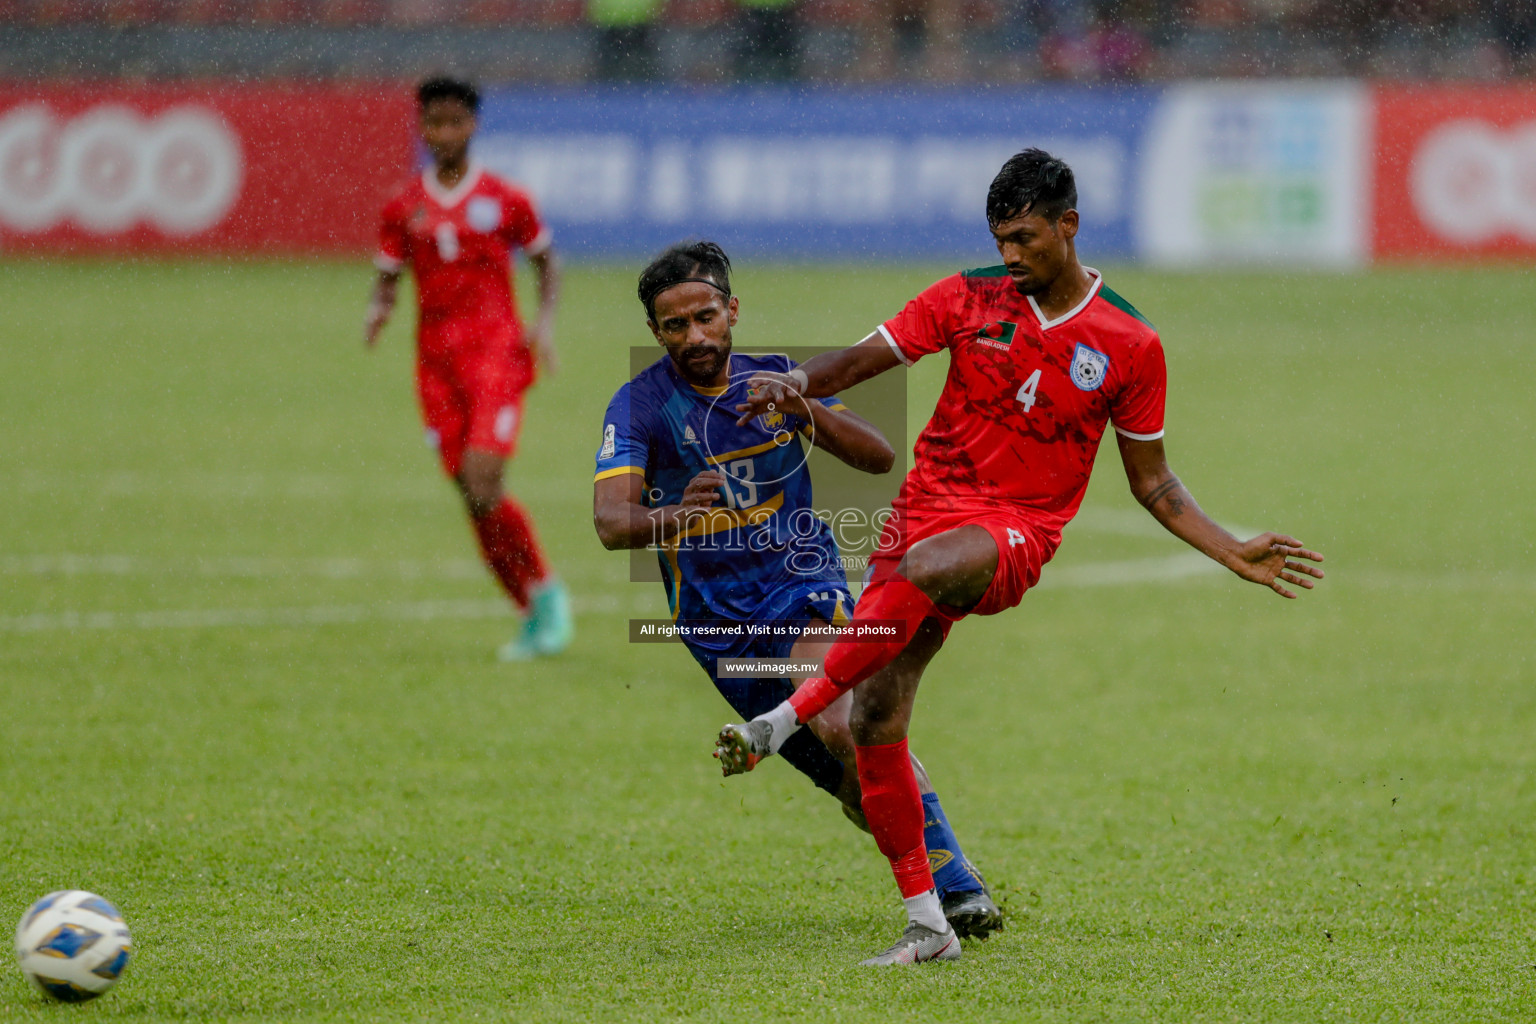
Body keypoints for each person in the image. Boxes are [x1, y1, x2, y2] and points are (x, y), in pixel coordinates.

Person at [716, 148, 1327, 966]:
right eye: (1000, 237)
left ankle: (778, 719)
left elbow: (1153, 482)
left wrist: (1230, 549)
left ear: (1068, 226)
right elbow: (865, 360)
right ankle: (930, 922)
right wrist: (793, 382)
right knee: (871, 722)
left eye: (1026, 237)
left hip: (1011, 534)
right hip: (917, 519)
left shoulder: (1131, 344)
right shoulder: (966, 296)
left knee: (930, 570)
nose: (1011, 255)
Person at [593, 241, 1003, 938]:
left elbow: (877, 456)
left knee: (846, 722)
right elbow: (611, 522)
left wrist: (805, 409)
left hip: (801, 586)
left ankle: (958, 892)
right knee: (846, 780)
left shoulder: (776, 378)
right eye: (675, 326)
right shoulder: (639, 406)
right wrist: (676, 516)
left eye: (706, 316)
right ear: (656, 333)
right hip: (717, 626)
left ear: (732, 310)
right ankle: (945, 877)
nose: (695, 336)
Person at [365, 76, 572, 662]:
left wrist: (544, 323)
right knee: (471, 496)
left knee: (484, 481)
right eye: (434, 123)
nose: (444, 133)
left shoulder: (506, 199)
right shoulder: (403, 207)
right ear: (422, 127)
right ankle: (530, 605)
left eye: (455, 121)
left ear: (473, 125)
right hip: (435, 365)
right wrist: (377, 310)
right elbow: (386, 279)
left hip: (496, 357)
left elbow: (547, 263)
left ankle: (547, 593)